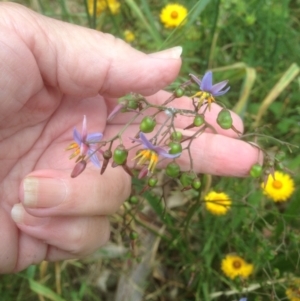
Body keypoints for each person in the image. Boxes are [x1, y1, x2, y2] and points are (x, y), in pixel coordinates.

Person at [0, 2, 260, 274]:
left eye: (205, 98)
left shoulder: (94, 142)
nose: (202, 100)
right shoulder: (98, 140)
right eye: (203, 96)